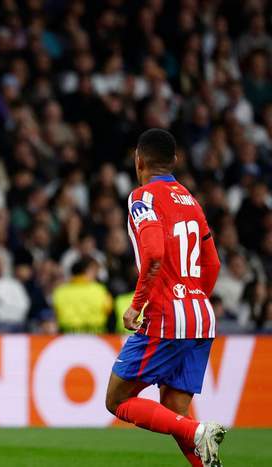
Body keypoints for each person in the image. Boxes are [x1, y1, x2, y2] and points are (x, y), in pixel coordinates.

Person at [104, 129, 225, 467]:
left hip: (167, 315)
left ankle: (198, 430)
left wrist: (137, 304)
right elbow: (213, 263)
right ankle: (199, 439)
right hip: (200, 316)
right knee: (176, 412)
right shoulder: (191, 200)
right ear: (175, 160)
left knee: (117, 400)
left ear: (138, 160)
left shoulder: (142, 198)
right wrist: (194, 299)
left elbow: (154, 252)